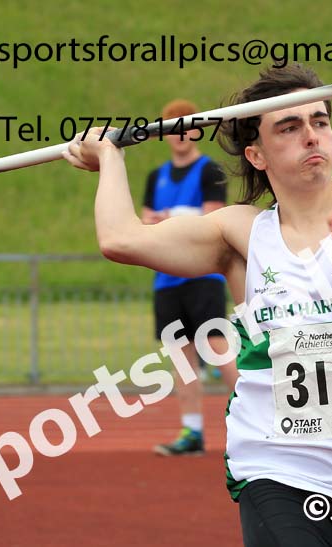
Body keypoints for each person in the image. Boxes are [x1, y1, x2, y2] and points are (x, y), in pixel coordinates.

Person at [62, 63, 332, 547]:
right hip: (277, 468)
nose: (311, 136)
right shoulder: (241, 233)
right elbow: (120, 239)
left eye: (319, 121)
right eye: (289, 126)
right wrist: (109, 156)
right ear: (257, 154)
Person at [142, 98, 238, 456]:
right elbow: (146, 222)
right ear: (164, 133)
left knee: (217, 349)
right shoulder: (156, 176)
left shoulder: (209, 170)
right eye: (173, 127)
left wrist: (171, 218)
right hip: (166, 278)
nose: (180, 133)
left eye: (186, 125)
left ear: (197, 130)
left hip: (201, 275)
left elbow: (211, 220)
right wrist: (171, 219)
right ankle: (193, 432)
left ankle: (258, 422)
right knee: (181, 360)